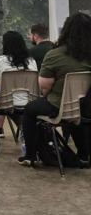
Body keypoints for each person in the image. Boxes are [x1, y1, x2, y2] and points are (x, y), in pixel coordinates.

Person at [18, 13, 91, 167]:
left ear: (65, 31)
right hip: (86, 107)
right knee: (78, 112)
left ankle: (30, 155)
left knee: (30, 110)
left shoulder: (55, 55)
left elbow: (44, 88)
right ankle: (84, 155)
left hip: (60, 104)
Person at [0, 31, 37, 153]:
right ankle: (23, 129)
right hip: (28, 102)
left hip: (3, 102)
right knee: (13, 108)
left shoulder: (0, 60)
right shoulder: (31, 61)